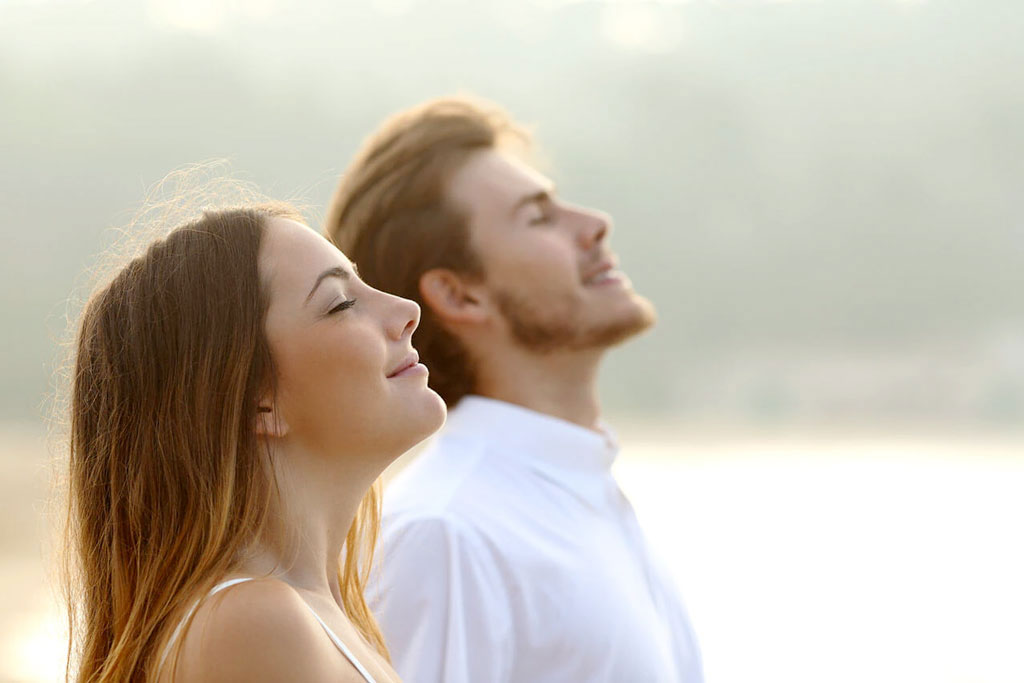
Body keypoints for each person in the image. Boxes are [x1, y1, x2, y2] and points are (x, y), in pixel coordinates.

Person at [325, 96, 704, 682]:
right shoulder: (447, 533)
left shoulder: (581, 494)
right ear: (459, 295)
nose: (595, 223)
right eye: (538, 216)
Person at [62, 201, 446, 682]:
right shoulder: (252, 623)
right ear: (257, 402)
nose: (407, 310)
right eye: (341, 303)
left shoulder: (325, 618)